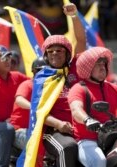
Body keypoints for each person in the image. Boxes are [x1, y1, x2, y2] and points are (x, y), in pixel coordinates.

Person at [41, 3, 86, 167]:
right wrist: (59, 124)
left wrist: (74, 16)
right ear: (45, 56)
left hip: (82, 127)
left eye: (59, 50)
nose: (54, 54)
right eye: (50, 51)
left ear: (67, 54)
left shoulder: (75, 68)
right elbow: (38, 113)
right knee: (68, 147)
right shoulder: (41, 78)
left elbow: (81, 40)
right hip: (53, 131)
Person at [10, 57, 46, 167]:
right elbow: (19, 100)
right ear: (34, 72)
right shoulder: (28, 84)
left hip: (39, 130)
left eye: (46, 70)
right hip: (19, 130)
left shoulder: (48, 87)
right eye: (40, 70)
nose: (44, 73)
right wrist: (34, 107)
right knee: (35, 146)